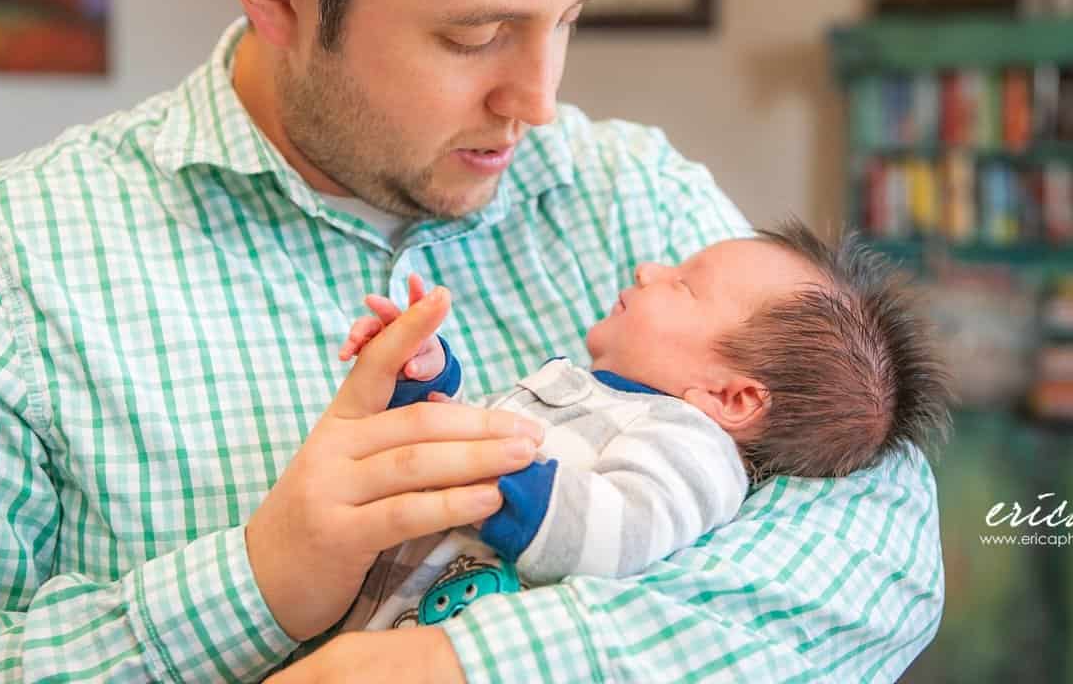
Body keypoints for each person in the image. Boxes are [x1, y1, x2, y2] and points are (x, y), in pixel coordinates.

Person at [0, 0, 946, 681]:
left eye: (569, 16)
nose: (540, 99)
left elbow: (880, 543)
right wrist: (252, 586)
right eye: (477, 33)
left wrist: (435, 669)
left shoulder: (631, 194)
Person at [333, 221, 951, 634]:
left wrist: (484, 465)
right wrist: (420, 376)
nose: (647, 269)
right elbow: (439, 450)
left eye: (681, 285)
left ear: (731, 397)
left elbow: (614, 534)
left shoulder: (691, 447)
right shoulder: (580, 390)